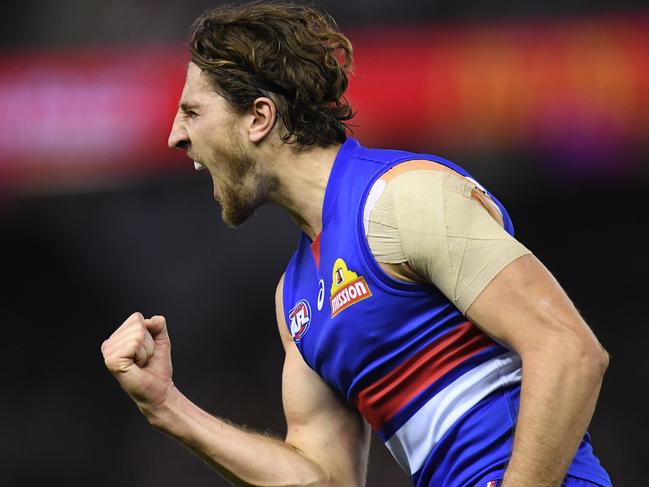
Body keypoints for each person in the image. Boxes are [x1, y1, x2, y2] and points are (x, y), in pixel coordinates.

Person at [100, 3, 612, 486]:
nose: (174, 136)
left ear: (259, 117)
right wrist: (167, 407)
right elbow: (322, 477)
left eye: (192, 111)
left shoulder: (404, 199)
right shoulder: (296, 299)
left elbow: (568, 349)